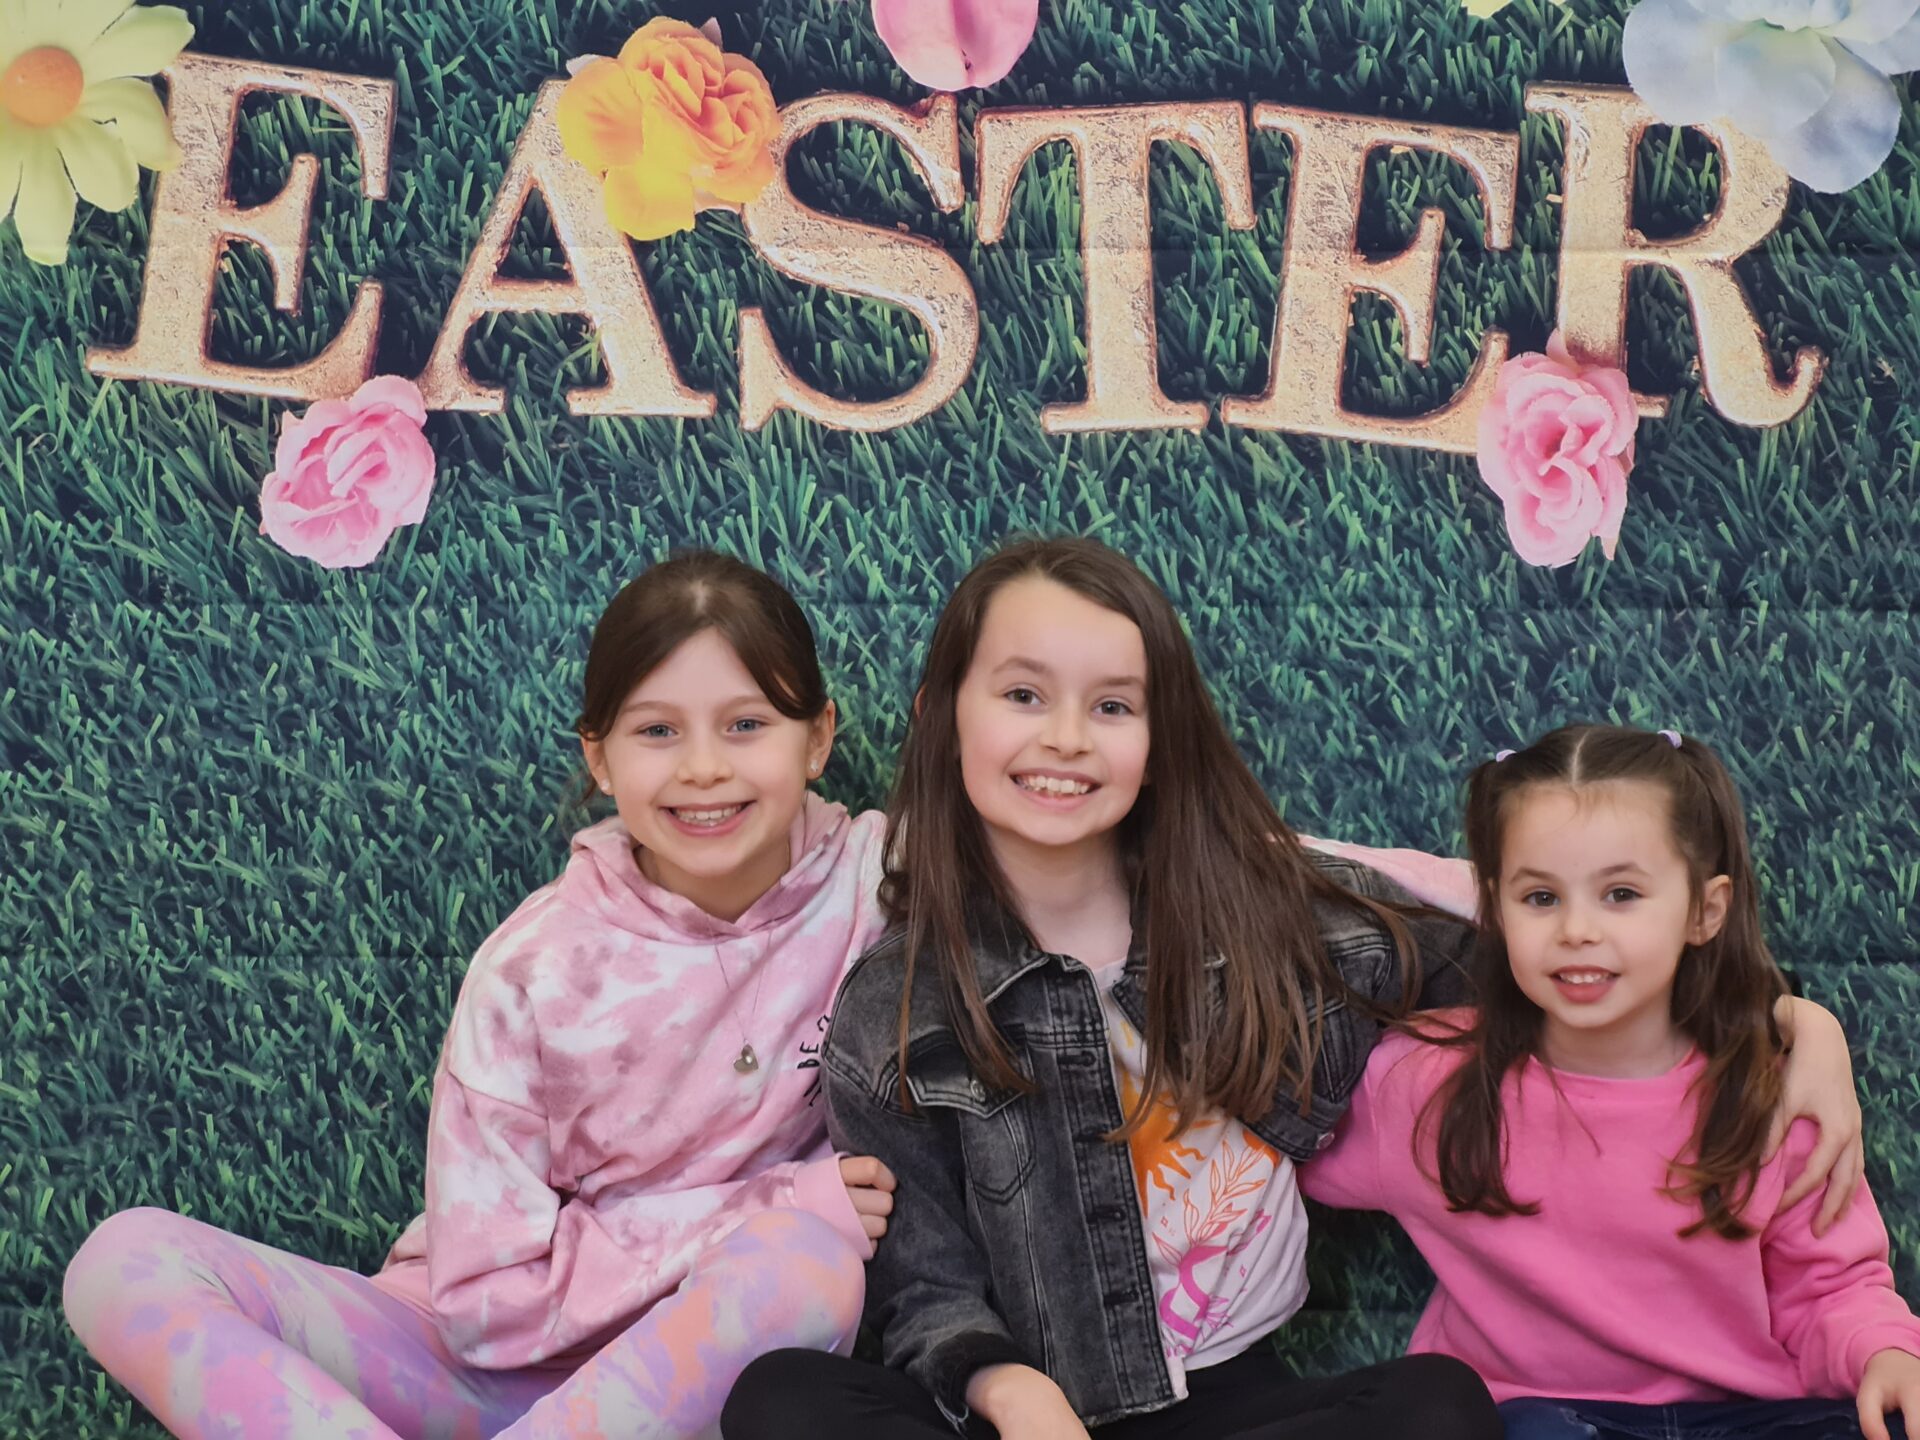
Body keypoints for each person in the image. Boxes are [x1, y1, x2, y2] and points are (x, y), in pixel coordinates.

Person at [726, 538, 1860, 1440]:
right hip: (1023, 1416)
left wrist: (1787, 1016)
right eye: (1024, 695)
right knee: (779, 1399)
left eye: (1113, 707)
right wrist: (1010, 1391)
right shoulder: (894, 1006)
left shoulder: (1270, 916)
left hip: (1233, 1407)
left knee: (1437, 1409)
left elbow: (1539, 945)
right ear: (943, 710)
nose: (1066, 740)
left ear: (1160, 739)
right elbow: (923, 1288)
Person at [64, 551, 899, 1439]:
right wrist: (768, 1200)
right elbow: (484, 1302)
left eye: (746, 724)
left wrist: (785, 1224)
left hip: (693, 1383)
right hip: (456, 1375)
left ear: (818, 738)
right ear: (600, 758)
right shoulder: (533, 967)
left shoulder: (883, 885)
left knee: (810, 1265)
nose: (703, 767)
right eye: (656, 731)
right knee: (122, 1263)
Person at [1299, 724, 1920, 1440]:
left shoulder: (1778, 1091)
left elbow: (1831, 1289)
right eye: (1540, 899)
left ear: (1703, 912)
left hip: (1751, 1419)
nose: (1577, 930)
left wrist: (1887, 1352)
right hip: (1540, 1419)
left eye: (1621, 893)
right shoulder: (1422, 1083)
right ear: (1494, 909)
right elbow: (1271, 1155)